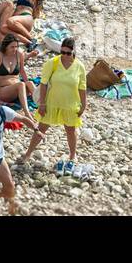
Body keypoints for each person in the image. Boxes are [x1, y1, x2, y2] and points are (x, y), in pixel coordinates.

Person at [18, 36, 87, 168]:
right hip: (51, 103)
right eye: (62, 52)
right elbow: (43, 84)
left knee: (70, 131)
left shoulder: (80, 67)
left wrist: (84, 105)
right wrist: (42, 104)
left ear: (74, 52)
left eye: (68, 53)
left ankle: (72, 155)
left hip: (70, 105)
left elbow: (82, 88)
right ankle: (28, 154)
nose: (65, 56)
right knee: (41, 128)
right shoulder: (52, 63)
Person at [0, 35, 36, 121]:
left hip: (19, 89)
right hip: (5, 91)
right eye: (12, 47)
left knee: (30, 83)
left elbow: (22, 71)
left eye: (16, 46)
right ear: (6, 46)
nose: (15, 49)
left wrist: (27, 83)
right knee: (21, 84)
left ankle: (43, 105)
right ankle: (27, 114)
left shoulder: (19, 54)